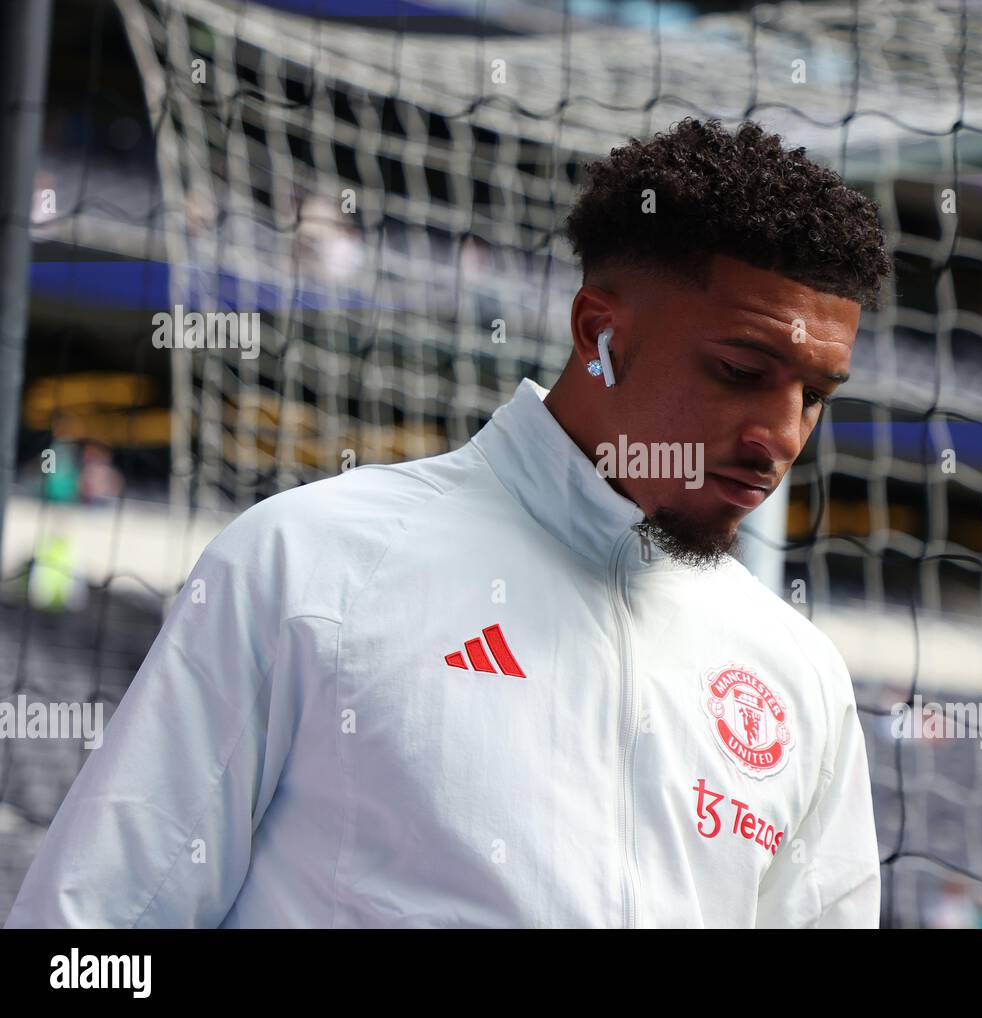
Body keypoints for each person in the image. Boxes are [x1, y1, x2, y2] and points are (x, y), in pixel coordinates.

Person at [6, 116, 891, 928]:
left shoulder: (799, 676)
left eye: (814, 395)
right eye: (741, 369)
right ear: (600, 333)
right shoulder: (310, 565)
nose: (781, 436)